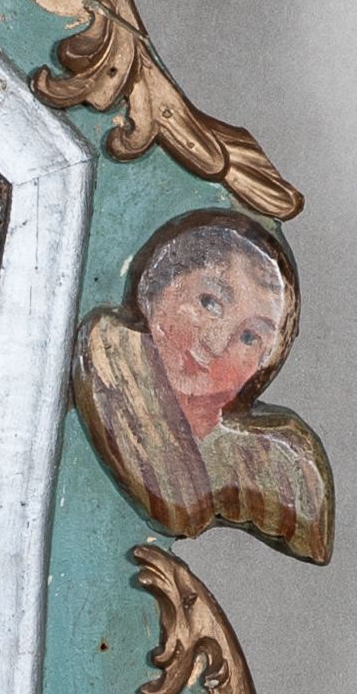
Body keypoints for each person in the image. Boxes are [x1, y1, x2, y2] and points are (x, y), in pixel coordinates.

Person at [72, 212, 331, 562]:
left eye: (249, 337)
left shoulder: (277, 464)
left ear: (263, 366)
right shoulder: (107, 364)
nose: (215, 343)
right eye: (209, 302)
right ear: (156, 287)